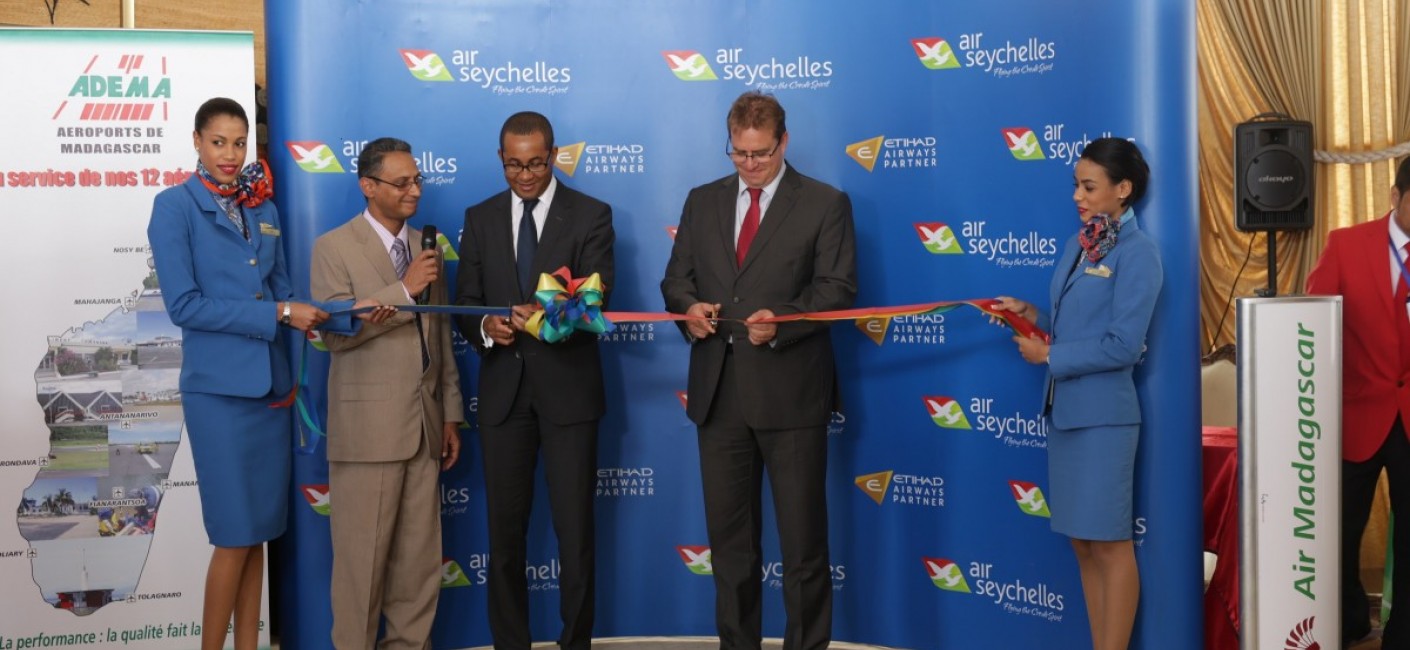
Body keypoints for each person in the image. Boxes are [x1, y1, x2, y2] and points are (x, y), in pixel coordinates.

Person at [147, 97, 367, 650]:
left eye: (239, 142)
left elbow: (285, 292)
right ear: (196, 140)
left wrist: (355, 311)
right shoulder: (173, 207)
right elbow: (185, 306)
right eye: (218, 141)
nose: (229, 153)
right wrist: (276, 314)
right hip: (218, 397)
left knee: (260, 537)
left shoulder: (262, 209)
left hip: (271, 392)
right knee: (233, 535)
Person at [660, 91, 857, 650]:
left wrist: (785, 323)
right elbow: (676, 281)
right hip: (718, 396)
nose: (750, 164)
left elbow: (837, 290)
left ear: (784, 142)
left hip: (792, 396)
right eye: (739, 153)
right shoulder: (701, 201)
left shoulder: (825, 203)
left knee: (802, 549)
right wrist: (689, 311)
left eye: (761, 154)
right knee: (730, 548)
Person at [454, 111, 613, 650]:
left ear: (555, 155)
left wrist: (538, 320)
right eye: (514, 165)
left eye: (537, 164)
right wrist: (487, 327)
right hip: (503, 398)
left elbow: (594, 304)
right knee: (504, 540)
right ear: (501, 158)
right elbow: (464, 306)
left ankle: (576, 644)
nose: (525, 175)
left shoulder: (591, 215)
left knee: (575, 536)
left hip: (569, 394)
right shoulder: (478, 218)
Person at [994, 137, 1160, 650]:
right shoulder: (1080, 244)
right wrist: (1032, 314)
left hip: (1105, 422)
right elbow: (1074, 324)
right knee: (1084, 546)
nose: (1077, 196)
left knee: (1110, 547)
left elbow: (1123, 345)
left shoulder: (1140, 253)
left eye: (1089, 186)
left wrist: (1051, 358)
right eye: (1076, 185)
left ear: (1123, 189)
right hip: (1065, 416)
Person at [311, 137, 464, 649]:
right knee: (361, 572)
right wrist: (404, 292)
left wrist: (450, 415)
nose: (415, 190)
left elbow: (439, 340)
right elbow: (332, 333)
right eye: (402, 183)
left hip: (424, 427)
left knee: (418, 569)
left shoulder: (428, 246)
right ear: (368, 186)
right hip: (366, 435)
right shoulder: (334, 247)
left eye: (417, 179)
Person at [1306, 156, 1410, 648]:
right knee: (1339, 532)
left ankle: (1403, 631)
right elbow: (1312, 325)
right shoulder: (1346, 245)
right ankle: (1345, 621)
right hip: (1354, 415)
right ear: (1395, 196)